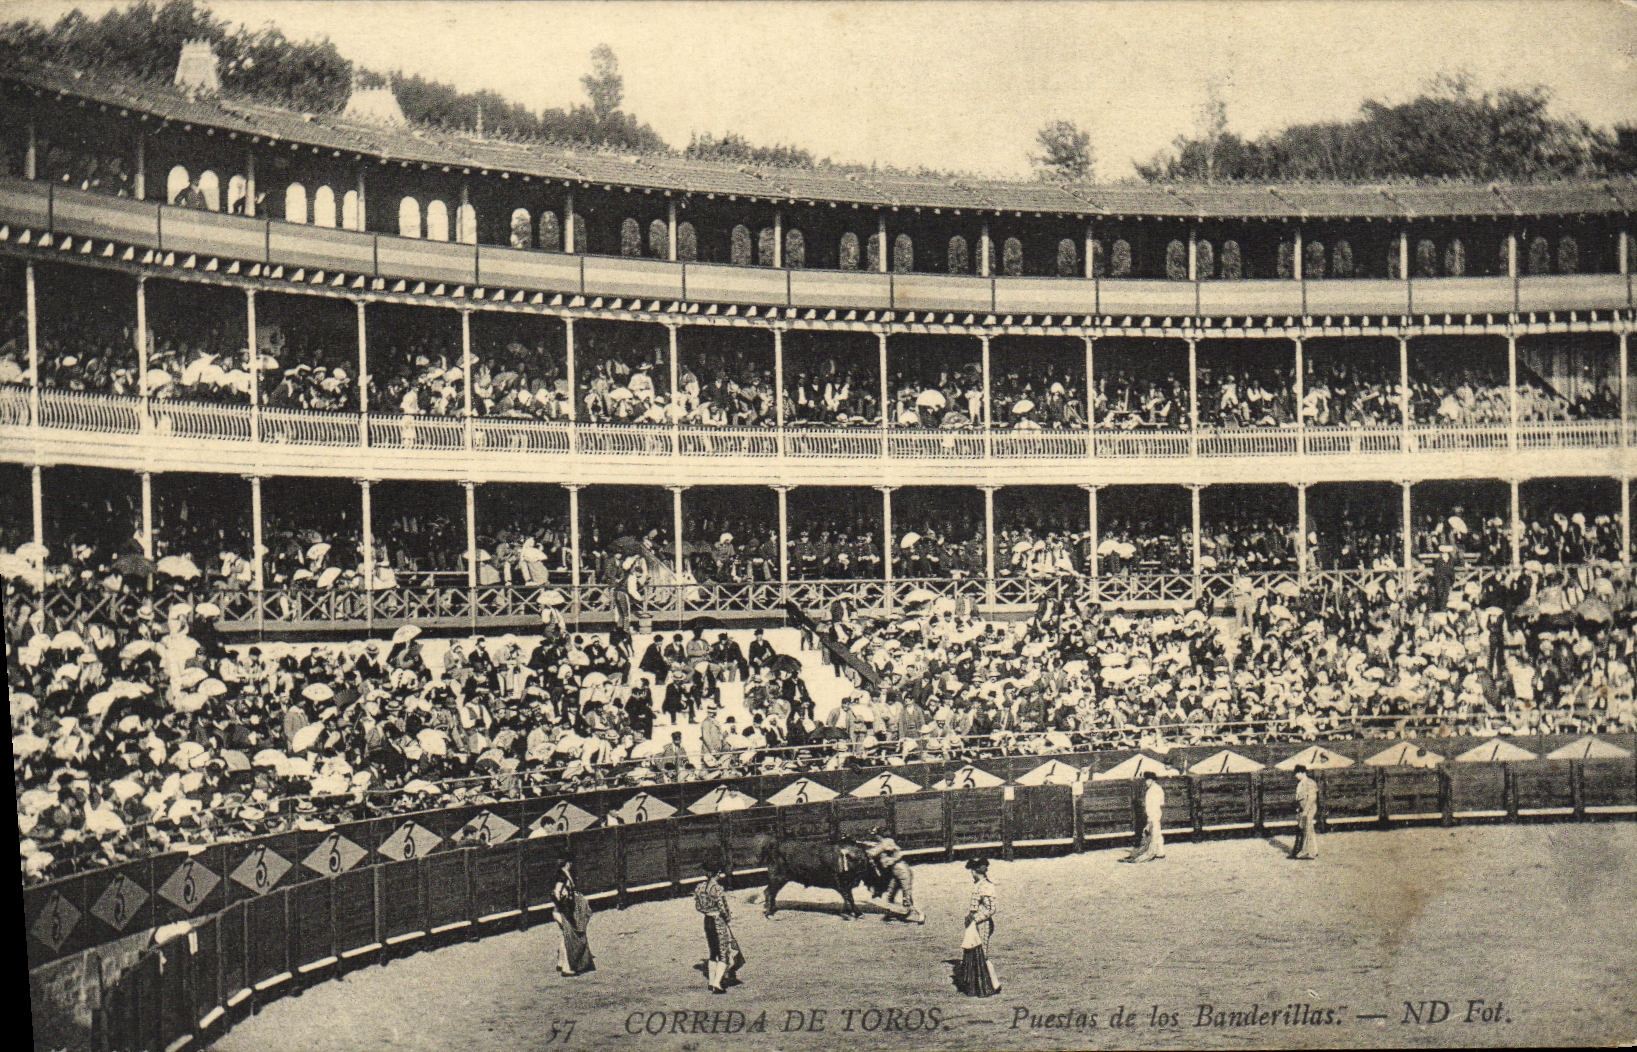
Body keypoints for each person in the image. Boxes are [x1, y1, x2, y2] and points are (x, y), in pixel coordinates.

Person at [693, 864, 744, 994]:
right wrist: (727, 918)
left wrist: (707, 911)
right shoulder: (717, 889)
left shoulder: (700, 887)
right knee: (723, 953)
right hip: (717, 921)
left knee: (713, 952)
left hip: (707, 921)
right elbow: (723, 907)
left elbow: (698, 907)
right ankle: (717, 983)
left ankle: (711, 981)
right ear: (718, 873)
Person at [860, 825, 924, 924]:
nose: (874, 837)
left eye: (875, 835)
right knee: (890, 896)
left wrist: (861, 847)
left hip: (901, 871)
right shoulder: (887, 842)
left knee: (907, 897)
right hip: (896, 872)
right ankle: (896, 913)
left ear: (879, 835)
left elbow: (872, 852)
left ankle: (920, 914)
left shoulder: (885, 843)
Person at [955, 857, 1000, 997]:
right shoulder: (980, 884)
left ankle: (993, 984)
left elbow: (991, 909)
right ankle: (985, 985)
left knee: (982, 953)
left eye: (971, 871)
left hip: (983, 924)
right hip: (976, 924)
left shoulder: (985, 886)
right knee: (976, 953)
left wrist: (975, 919)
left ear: (975, 871)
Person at [551, 860, 595, 976]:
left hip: (558, 911)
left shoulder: (562, 874)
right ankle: (567, 968)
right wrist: (563, 904)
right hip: (561, 912)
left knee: (564, 934)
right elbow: (556, 892)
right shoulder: (562, 876)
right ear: (567, 864)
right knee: (569, 936)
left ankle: (560, 963)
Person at [1123, 769, 1166, 863]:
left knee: (1154, 833)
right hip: (1156, 813)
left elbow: (1153, 805)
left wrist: (1151, 817)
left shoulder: (1153, 790)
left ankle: (1156, 852)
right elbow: (1161, 802)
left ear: (1151, 780)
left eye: (1147, 780)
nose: (1146, 782)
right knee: (1157, 832)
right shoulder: (1157, 789)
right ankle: (1160, 852)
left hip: (1154, 813)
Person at [1290, 764, 1319, 860]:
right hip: (1302, 808)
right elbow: (1299, 798)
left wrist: (1306, 811)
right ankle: (1313, 851)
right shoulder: (1300, 783)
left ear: (1302, 773)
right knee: (1308, 828)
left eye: (1297, 773)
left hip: (1309, 808)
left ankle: (1307, 852)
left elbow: (1312, 798)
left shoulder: (1310, 782)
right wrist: (1298, 808)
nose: (1295, 776)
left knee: (1307, 828)